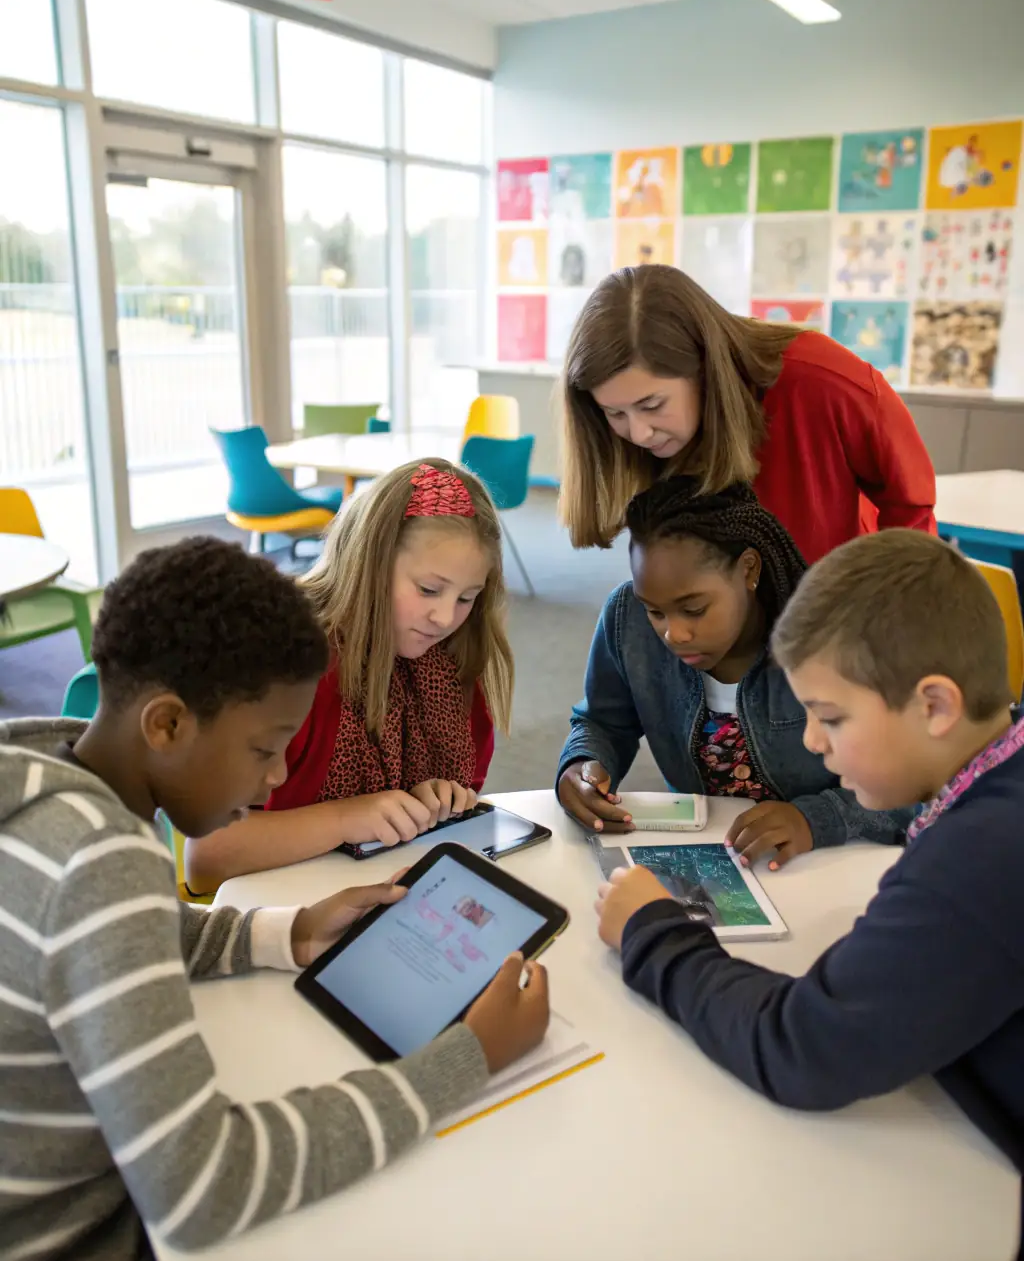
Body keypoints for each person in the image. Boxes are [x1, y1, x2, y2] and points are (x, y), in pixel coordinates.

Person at [0, 537, 548, 1260]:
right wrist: (469, 1054)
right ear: (165, 724)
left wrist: (288, 932)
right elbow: (203, 1187)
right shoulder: (100, 862)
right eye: (265, 749)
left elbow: (123, 941)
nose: (279, 776)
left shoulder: (47, 778)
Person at [595, 530, 1023, 1235]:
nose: (815, 745)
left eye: (831, 718)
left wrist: (653, 929)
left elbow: (802, 1048)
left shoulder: (978, 858)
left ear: (936, 706)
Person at [185, 460, 514, 894]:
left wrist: (430, 799)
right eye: (429, 590)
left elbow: (446, 806)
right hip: (277, 914)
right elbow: (205, 857)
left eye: (467, 597)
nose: (444, 617)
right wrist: (346, 817)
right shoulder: (282, 665)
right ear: (369, 563)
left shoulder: (449, 662)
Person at [557, 477, 913, 860]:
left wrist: (815, 819)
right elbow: (604, 722)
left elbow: (916, 784)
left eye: (694, 609)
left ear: (748, 569)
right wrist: (581, 764)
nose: (672, 633)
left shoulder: (833, 636)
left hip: (830, 861)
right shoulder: (626, 618)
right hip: (711, 855)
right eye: (655, 611)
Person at [559, 264, 936, 563]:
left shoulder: (824, 382)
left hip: (832, 614)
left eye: (652, 406)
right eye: (614, 413)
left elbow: (910, 509)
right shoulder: (643, 425)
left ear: (704, 368)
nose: (639, 434)